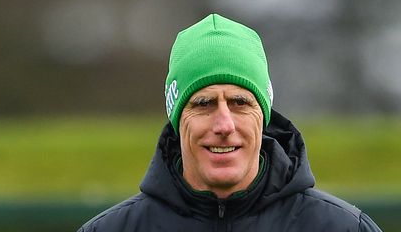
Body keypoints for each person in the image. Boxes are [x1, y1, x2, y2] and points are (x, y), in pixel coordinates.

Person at [78, 13, 383, 231]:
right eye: (203, 103)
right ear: (176, 117)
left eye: (240, 103)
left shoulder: (342, 227)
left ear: (263, 115)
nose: (224, 125)